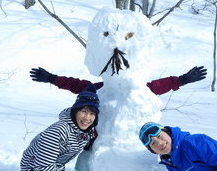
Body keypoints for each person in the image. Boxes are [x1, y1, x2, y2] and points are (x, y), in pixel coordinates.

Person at [20, 84, 100, 171]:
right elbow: (42, 167)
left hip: (52, 167)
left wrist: (90, 139)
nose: (87, 118)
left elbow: (87, 133)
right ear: (75, 111)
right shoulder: (58, 131)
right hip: (35, 170)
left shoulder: (82, 130)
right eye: (84, 111)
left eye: (92, 113)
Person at [139, 122, 217, 171]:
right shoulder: (168, 161)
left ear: (168, 132)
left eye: (159, 136)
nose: (160, 143)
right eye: (153, 143)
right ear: (154, 151)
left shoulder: (196, 142)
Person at [29, 66, 207, 95]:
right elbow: (77, 85)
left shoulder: (136, 89)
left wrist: (182, 80)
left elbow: (156, 87)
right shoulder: (101, 88)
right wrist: (52, 78)